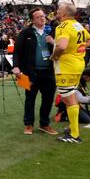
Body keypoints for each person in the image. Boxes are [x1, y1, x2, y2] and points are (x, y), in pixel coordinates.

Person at [12, 8, 59, 136]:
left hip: (49, 71)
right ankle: (29, 124)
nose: (42, 18)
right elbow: (17, 51)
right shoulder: (26, 33)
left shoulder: (53, 31)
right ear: (32, 20)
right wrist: (16, 66)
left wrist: (53, 42)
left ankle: (44, 123)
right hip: (30, 72)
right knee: (30, 99)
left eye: (43, 16)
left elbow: (61, 48)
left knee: (48, 99)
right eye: (38, 17)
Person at [51, 2, 90, 143]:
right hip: (77, 64)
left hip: (66, 67)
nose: (57, 11)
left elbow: (62, 46)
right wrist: (78, 48)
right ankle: (73, 127)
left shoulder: (63, 26)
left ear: (64, 13)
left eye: (59, 9)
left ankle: (74, 134)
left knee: (68, 99)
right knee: (71, 96)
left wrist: (54, 56)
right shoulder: (77, 25)